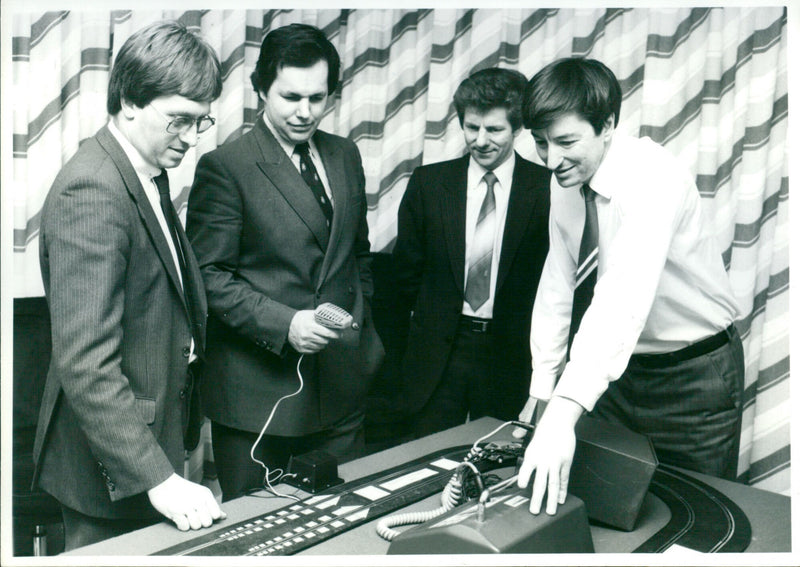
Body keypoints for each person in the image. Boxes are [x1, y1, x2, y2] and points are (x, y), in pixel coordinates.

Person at [514, 57, 745, 516]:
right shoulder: (566, 178)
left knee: (698, 518)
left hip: (693, 377)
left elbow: (621, 299)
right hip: (615, 378)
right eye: (541, 143)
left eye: (565, 141)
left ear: (608, 125)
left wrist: (563, 411)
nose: (551, 159)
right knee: (606, 515)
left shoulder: (653, 177)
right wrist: (542, 389)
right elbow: (559, 283)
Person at [32, 21, 226, 550]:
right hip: (112, 467)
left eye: (200, 120)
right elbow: (86, 362)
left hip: (155, 439)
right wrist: (159, 478)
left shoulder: (145, 171)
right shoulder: (92, 189)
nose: (190, 138)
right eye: (179, 120)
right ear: (130, 102)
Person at [186, 23, 383, 502]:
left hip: (342, 390)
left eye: (318, 98)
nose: (305, 112)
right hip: (259, 398)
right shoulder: (226, 167)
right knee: (260, 540)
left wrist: (362, 330)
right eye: (290, 97)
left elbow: (357, 252)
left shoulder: (345, 154)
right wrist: (285, 323)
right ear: (260, 90)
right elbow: (206, 277)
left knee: (345, 530)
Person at [393, 68, 551, 439]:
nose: (480, 140)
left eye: (494, 130)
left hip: (511, 354)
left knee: (498, 457)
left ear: (518, 128)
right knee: (423, 454)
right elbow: (402, 282)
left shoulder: (547, 190)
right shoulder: (428, 185)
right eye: (471, 127)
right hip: (437, 353)